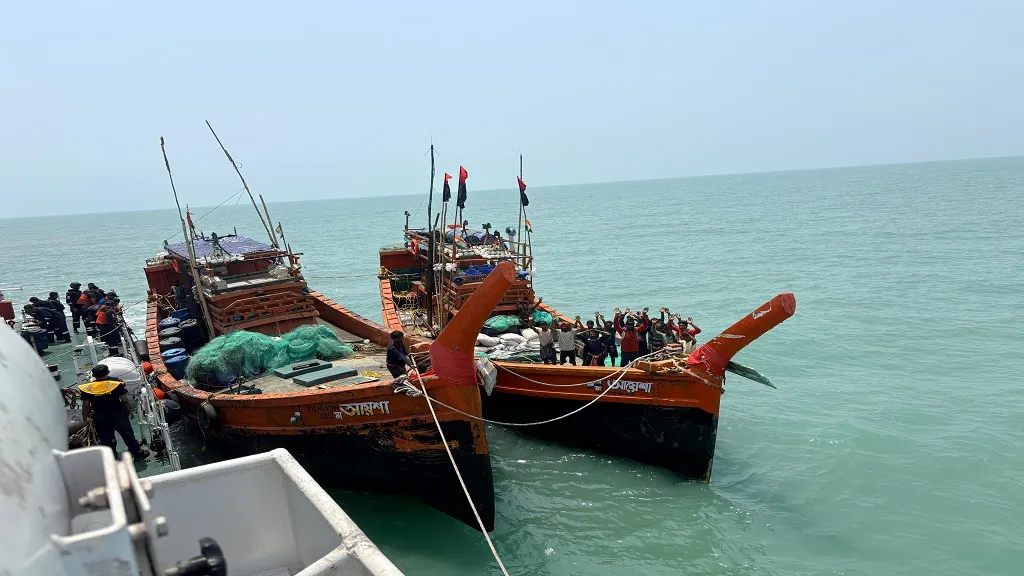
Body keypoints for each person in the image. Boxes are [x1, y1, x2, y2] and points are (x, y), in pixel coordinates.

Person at [79, 364, 150, 461]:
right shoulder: (115, 383)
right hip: (118, 414)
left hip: (100, 416)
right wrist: (130, 411)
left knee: (105, 437)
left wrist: (85, 417)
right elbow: (124, 400)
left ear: (94, 375)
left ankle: (110, 456)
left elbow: (86, 405)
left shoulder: (87, 388)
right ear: (107, 373)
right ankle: (137, 453)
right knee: (127, 434)